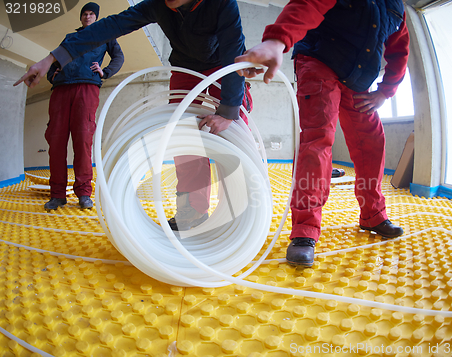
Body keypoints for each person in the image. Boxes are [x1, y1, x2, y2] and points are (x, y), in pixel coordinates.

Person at [14, 0, 251, 227]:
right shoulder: (160, 4)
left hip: (226, 65)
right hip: (186, 67)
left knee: (235, 135)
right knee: (185, 136)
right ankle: (193, 210)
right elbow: (112, 25)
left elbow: (233, 52)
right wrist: (53, 58)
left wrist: (228, 111)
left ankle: (242, 208)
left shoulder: (222, 3)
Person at [236, 0, 410, 267]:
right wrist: (277, 40)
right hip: (320, 62)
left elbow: (399, 49)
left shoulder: (398, 6)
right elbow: (309, 4)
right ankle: (305, 231)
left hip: (360, 80)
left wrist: (386, 91)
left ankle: (373, 215)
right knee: (318, 142)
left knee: (372, 143)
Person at [33, 2, 124, 211]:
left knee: (83, 140)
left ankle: (84, 193)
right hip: (61, 89)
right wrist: (51, 75)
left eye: (92, 14)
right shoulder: (69, 38)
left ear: (96, 17)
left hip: (87, 88)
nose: (88, 16)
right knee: (55, 142)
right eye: (85, 13)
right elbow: (55, 60)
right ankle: (57, 195)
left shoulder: (105, 34)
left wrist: (105, 71)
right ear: (81, 17)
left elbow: (119, 57)